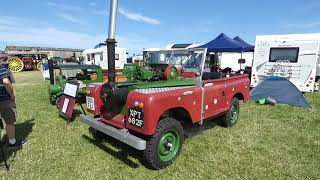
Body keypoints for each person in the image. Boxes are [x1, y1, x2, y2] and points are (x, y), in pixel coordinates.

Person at [0, 58, 26, 148]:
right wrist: (12, 96)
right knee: (9, 120)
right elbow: (6, 82)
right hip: (3, 99)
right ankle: (12, 142)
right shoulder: (2, 69)